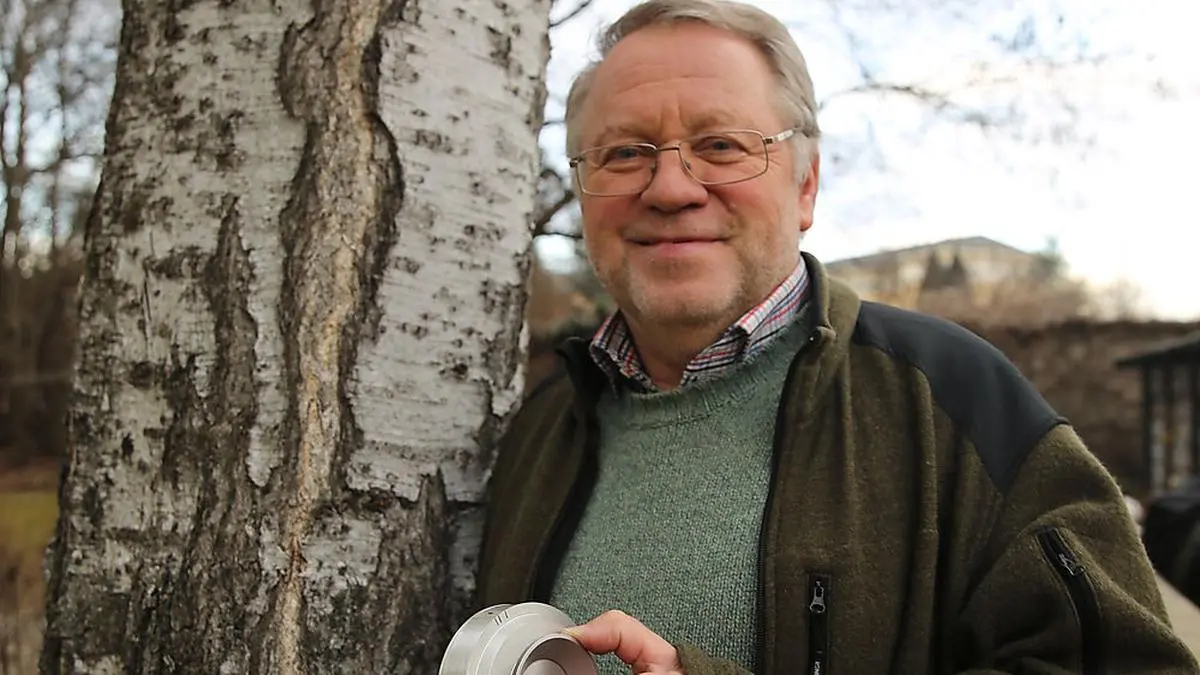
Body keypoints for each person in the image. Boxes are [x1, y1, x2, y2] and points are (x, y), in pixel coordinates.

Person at [475, 0, 1199, 673]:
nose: (670, 187)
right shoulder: (539, 428)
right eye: (624, 153)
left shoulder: (958, 401)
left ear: (807, 186)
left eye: (722, 144)